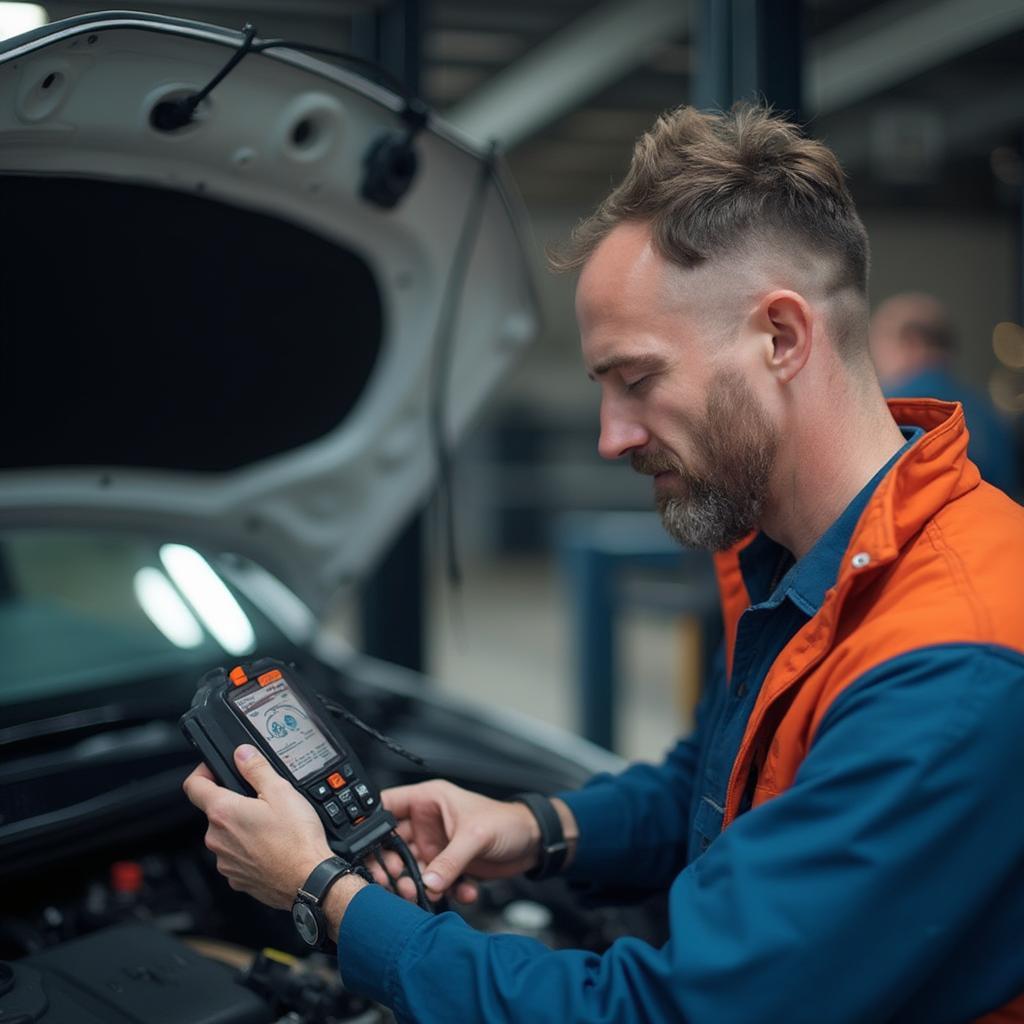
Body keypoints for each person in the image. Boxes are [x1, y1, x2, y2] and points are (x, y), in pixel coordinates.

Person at [184, 104, 1024, 1023]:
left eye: (638, 379)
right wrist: (537, 828)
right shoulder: (805, 563)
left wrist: (326, 896)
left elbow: (663, 1015)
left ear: (781, 339)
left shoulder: (950, 663)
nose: (610, 436)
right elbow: (713, 793)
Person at [869, 291, 1020, 496]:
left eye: (880, 338)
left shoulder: (888, 409)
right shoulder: (991, 414)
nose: (874, 355)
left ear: (912, 343)